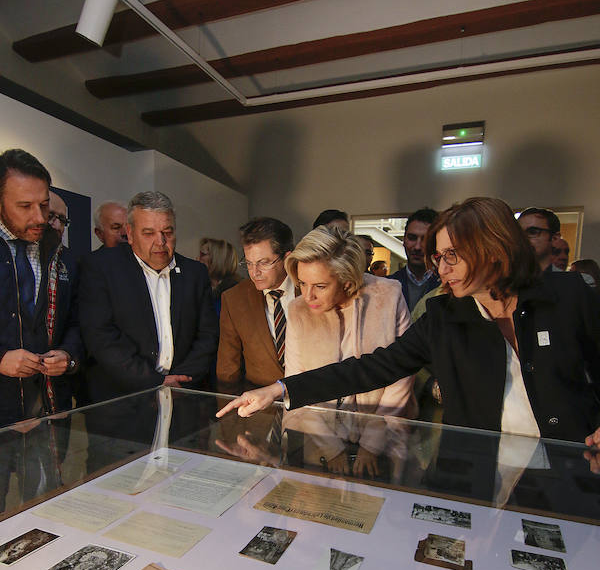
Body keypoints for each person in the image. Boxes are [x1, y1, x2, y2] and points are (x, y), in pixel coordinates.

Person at [217, 197, 600, 455]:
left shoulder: (570, 297)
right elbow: (371, 367)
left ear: (494, 248)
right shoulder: (444, 317)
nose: (442, 268)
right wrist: (280, 388)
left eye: (453, 255)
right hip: (480, 476)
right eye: (438, 256)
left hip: (571, 466)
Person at [283, 226, 415, 472]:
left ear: (346, 280)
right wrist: (331, 449)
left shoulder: (388, 295)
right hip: (318, 444)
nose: (308, 295)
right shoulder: (298, 309)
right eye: (302, 283)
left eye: (320, 286)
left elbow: (402, 374)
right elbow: (297, 381)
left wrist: (371, 445)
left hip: (382, 443)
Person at [79, 190, 217, 402]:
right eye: (149, 233)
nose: (160, 241)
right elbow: (100, 336)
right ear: (130, 234)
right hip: (121, 403)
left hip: (183, 397)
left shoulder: (195, 273)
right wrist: (154, 381)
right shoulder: (101, 268)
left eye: (167, 232)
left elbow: (207, 335)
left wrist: (182, 380)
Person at [0, 148, 81, 425]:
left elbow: (76, 320)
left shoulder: (59, 252)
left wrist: (68, 355)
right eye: (25, 206)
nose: (39, 218)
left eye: (44, 205)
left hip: (51, 411)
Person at [216, 217, 294, 389]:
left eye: (263, 263)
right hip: (262, 406)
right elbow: (227, 368)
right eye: (249, 263)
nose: (254, 272)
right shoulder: (235, 299)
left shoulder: (312, 288)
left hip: (313, 402)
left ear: (287, 258)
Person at [389, 207, 440, 311]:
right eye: (412, 238)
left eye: (425, 240)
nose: (417, 247)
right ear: (404, 240)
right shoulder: (388, 284)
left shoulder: (447, 287)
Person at [197, 237, 241, 316]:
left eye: (202, 255)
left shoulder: (236, 293)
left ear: (217, 259)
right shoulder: (202, 288)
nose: (197, 259)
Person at [517, 207, 561, 271]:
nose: (523, 238)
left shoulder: (569, 279)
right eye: (519, 233)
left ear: (555, 238)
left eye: (532, 232)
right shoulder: (506, 278)